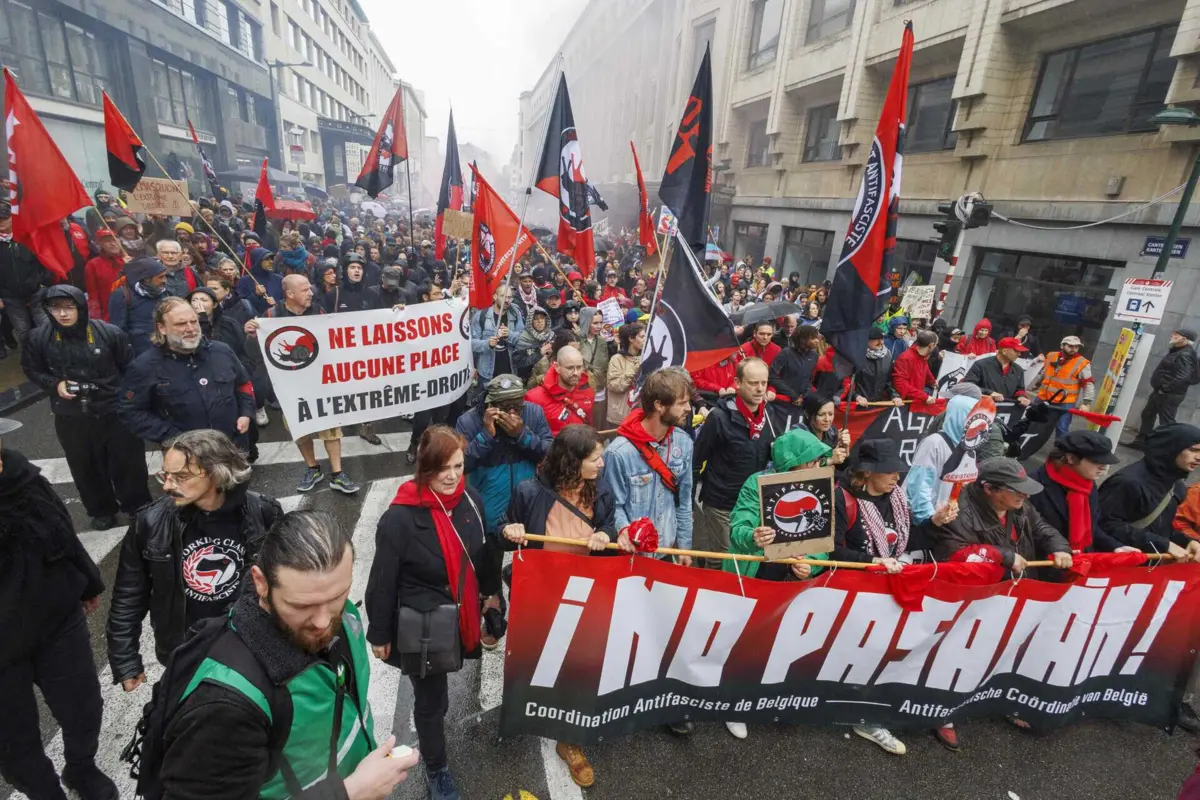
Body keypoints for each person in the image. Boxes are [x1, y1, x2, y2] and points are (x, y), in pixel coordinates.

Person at [159, 509, 418, 799]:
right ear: (260, 582)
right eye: (302, 606)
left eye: (337, 597)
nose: (323, 622)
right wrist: (351, 792)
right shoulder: (225, 705)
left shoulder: (344, 617)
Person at [366, 426, 501, 800]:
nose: (453, 475)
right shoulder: (399, 519)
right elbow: (382, 580)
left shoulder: (470, 500)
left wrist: (492, 601)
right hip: (423, 622)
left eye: (458, 465)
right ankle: (436, 766)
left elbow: (482, 556)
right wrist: (379, 633)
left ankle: (433, 727)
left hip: (459, 613)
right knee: (430, 701)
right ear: (424, 468)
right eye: (443, 467)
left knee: (439, 694)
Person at [500, 425, 629, 787]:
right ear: (573, 462)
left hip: (586, 592)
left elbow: (609, 527)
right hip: (543, 594)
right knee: (544, 661)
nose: (602, 465)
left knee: (578, 664)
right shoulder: (529, 491)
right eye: (595, 459)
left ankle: (568, 738)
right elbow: (503, 532)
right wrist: (511, 532)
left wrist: (607, 535)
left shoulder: (599, 489)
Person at [106, 430, 281, 692]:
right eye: (165, 475)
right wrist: (125, 660)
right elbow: (129, 594)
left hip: (250, 645)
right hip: (186, 650)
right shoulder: (150, 523)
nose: (167, 485)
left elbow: (284, 581)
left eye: (181, 477)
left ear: (217, 473)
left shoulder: (264, 512)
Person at [0, 433, 118, 800]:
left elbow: (61, 531)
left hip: (56, 619)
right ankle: (46, 793)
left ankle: (81, 768)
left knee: (84, 708)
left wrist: (87, 583)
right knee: (13, 740)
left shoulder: (22, 476)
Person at [832, 438, 951, 753]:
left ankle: (868, 713)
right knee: (860, 655)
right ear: (867, 473)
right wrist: (872, 562)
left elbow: (910, 538)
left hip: (891, 588)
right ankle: (861, 715)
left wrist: (935, 524)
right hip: (857, 593)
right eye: (891, 472)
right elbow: (833, 550)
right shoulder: (841, 499)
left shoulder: (896, 496)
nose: (898, 478)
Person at [603, 368, 696, 734]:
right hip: (633, 561)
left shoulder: (685, 444)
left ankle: (668, 702)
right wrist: (626, 530)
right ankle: (625, 695)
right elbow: (615, 507)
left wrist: (684, 548)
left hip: (670, 554)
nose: (689, 409)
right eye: (683, 402)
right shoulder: (620, 453)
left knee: (670, 630)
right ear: (660, 405)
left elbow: (685, 499)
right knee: (631, 632)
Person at [722, 427, 827, 738]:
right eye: (812, 461)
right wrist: (753, 536)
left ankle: (769, 699)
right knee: (744, 641)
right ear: (793, 463)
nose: (819, 467)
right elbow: (739, 525)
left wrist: (813, 566)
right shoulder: (757, 485)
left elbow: (822, 542)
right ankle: (733, 704)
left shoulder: (819, 487)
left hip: (791, 582)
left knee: (781, 642)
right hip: (757, 575)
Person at [20, 285, 151, 530]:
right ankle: (101, 510)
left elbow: (131, 370)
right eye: (55, 308)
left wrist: (131, 402)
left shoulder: (109, 333)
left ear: (80, 306)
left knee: (129, 463)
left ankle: (138, 505)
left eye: (69, 307)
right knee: (85, 466)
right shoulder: (38, 338)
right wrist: (55, 384)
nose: (63, 314)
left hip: (114, 410)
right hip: (71, 415)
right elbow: (32, 369)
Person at [245, 276, 362, 494]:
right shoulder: (271, 316)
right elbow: (255, 353)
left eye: (310, 288)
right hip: (290, 387)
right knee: (301, 430)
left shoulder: (318, 312)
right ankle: (313, 468)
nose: (311, 293)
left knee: (331, 429)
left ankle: (337, 474)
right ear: (290, 294)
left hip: (320, 383)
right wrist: (252, 335)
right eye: (305, 290)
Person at [119, 297, 254, 448]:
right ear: (162, 328)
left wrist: (246, 413)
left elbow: (244, 384)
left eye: (194, 321)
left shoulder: (222, 351)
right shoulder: (144, 366)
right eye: (181, 324)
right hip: (186, 455)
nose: (190, 328)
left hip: (232, 446)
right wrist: (172, 436)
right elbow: (131, 412)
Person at [693, 358, 782, 569]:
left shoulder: (769, 415)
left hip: (752, 503)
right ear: (737, 382)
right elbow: (697, 460)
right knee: (722, 559)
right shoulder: (719, 417)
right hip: (722, 502)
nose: (760, 389)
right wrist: (689, 504)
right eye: (753, 383)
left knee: (747, 557)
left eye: (764, 383)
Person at [934, 457, 1073, 576]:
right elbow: (952, 555)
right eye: (1017, 490)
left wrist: (1059, 547)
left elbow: (1041, 527)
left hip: (1018, 588)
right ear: (989, 488)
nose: (1026, 495)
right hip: (983, 596)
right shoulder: (959, 513)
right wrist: (1004, 557)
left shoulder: (1019, 505)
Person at [456, 374, 553, 536]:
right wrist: (486, 436)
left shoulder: (534, 413)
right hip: (489, 508)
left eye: (517, 405)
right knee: (489, 558)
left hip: (526, 506)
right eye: (506, 406)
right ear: (490, 404)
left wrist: (522, 435)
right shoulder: (468, 421)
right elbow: (461, 465)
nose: (513, 412)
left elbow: (550, 453)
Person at [1099, 423, 1200, 560]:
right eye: (1193, 450)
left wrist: (1187, 541)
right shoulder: (1128, 482)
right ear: (1171, 448)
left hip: (1148, 566)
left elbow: (1162, 528)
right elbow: (1103, 525)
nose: (1198, 457)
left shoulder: (1177, 485)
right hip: (1117, 563)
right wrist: (1162, 544)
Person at [1028, 431, 1135, 556]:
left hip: (1081, 561)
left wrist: (1115, 547)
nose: (1103, 467)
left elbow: (1090, 528)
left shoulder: (1088, 485)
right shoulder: (1033, 486)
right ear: (1071, 458)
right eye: (1096, 461)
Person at [903, 394, 976, 527]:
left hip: (945, 519)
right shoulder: (934, 443)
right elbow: (919, 487)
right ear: (960, 417)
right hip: (925, 521)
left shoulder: (969, 447)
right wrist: (929, 520)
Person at [1135, 329, 1198, 446]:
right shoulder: (1177, 350)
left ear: (1183, 339)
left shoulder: (1185, 354)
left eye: (1175, 335)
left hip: (1169, 394)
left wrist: (1166, 388)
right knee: (1148, 414)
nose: (1171, 336)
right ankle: (1142, 441)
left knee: (1167, 422)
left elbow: (1183, 376)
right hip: (1160, 392)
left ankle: (1167, 447)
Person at [1033, 335, 1096, 438]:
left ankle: (1059, 452)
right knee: (1030, 420)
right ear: (1062, 346)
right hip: (1043, 396)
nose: (1074, 349)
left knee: (1062, 428)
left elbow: (1088, 383)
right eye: (1070, 346)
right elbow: (1045, 372)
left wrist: (1086, 403)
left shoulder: (1082, 363)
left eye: (1076, 347)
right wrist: (1037, 384)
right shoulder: (1051, 356)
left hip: (1065, 401)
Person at [526, 345, 595, 436]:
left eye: (579, 367)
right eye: (570, 368)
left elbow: (589, 424)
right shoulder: (534, 397)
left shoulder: (587, 390)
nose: (576, 373)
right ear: (557, 367)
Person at [108, 256, 169, 356]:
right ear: (146, 279)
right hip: (138, 355)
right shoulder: (122, 295)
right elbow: (118, 331)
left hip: (164, 350)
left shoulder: (163, 292)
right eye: (160, 277)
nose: (165, 280)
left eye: (165, 276)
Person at [470, 283, 525, 383]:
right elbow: (471, 343)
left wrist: (510, 335)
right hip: (487, 372)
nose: (507, 300)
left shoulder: (515, 314)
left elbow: (523, 339)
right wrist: (488, 344)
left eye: (510, 297)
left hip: (510, 370)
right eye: (503, 296)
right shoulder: (481, 316)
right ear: (495, 297)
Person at [963, 336, 1030, 405]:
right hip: (980, 407)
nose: (1019, 354)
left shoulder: (1018, 370)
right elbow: (968, 385)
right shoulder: (981, 365)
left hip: (1005, 410)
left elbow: (1020, 389)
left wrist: (1022, 397)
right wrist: (989, 392)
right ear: (1004, 351)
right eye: (1016, 351)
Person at [769, 324, 820, 405]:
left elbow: (809, 379)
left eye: (817, 337)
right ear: (803, 339)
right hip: (783, 400)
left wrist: (805, 395)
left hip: (802, 401)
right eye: (813, 338)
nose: (817, 340)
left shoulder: (814, 356)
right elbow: (772, 376)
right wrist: (793, 395)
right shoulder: (786, 353)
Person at [606, 322, 644, 425]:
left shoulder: (644, 358)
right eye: (641, 337)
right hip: (620, 417)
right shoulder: (616, 359)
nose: (645, 340)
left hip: (639, 416)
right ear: (631, 339)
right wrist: (633, 372)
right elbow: (614, 385)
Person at [577, 306, 611, 425]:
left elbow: (605, 363)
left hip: (600, 387)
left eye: (601, 322)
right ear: (586, 322)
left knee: (598, 420)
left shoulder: (602, 341)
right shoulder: (576, 340)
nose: (599, 326)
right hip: (582, 388)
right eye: (595, 323)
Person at [84, 229, 125, 322]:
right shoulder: (93, 265)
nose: (113, 243)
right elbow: (93, 294)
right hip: (109, 315)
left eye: (114, 240)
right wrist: (97, 318)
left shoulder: (129, 261)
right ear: (100, 244)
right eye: (108, 241)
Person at [798, 393, 850, 465]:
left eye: (831, 414)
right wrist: (830, 460)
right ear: (807, 414)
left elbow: (841, 466)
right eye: (821, 414)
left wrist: (845, 449)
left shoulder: (832, 432)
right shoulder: (797, 435)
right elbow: (800, 468)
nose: (827, 419)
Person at [854, 328, 902, 406]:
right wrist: (856, 396)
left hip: (877, 404)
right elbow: (847, 382)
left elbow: (888, 382)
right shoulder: (856, 356)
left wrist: (894, 395)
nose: (880, 342)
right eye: (876, 339)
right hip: (858, 405)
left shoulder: (887, 355)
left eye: (882, 339)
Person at [236, 247, 284, 315]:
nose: (271, 262)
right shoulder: (244, 281)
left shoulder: (279, 279)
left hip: (276, 320)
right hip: (253, 321)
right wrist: (256, 295)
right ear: (257, 261)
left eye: (272, 258)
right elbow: (241, 305)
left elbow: (286, 301)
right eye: (267, 259)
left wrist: (277, 304)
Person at [513, 307, 555, 383]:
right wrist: (539, 354)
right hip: (530, 379)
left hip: (550, 378)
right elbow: (519, 363)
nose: (539, 321)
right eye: (535, 318)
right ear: (531, 321)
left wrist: (551, 354)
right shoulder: (524, 338)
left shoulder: (552, 336)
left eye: (542, 318)